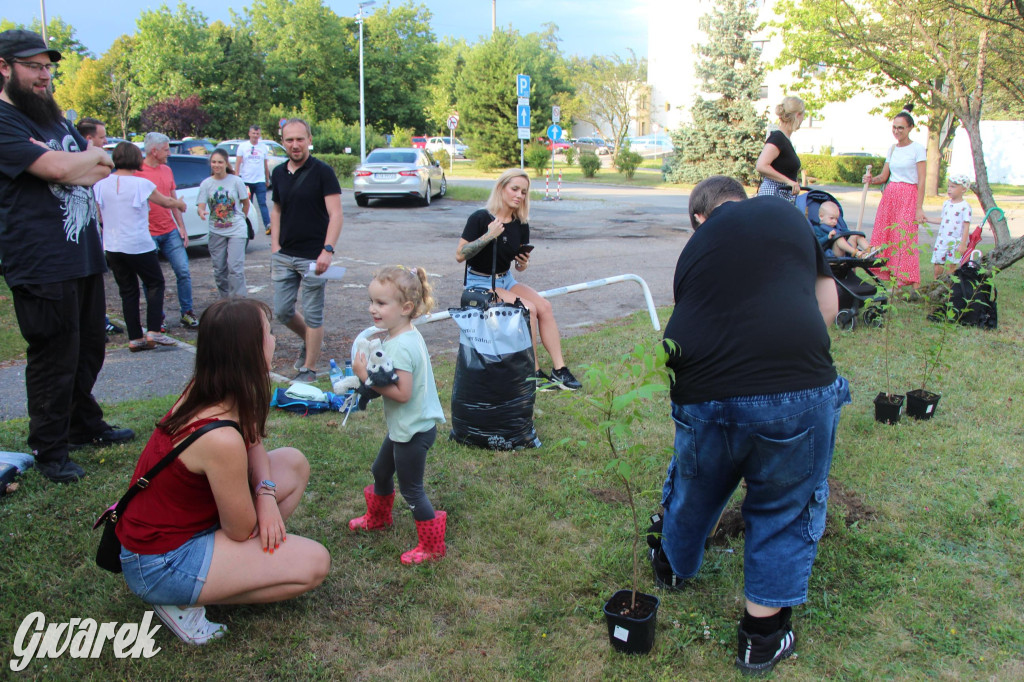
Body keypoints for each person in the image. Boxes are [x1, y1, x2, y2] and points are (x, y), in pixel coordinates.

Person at [652, 176, 850, 675]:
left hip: (703, 392)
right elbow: (829, 307)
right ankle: (761, 639)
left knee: (697, 487)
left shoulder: (697, 247)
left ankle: (672, 569)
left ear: (701, 216)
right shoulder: (786, 215)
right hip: (794, 389)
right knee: (783, 506)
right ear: (740, 198)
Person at [116, 298, 331, 644]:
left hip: (178, 531)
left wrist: (264, 494)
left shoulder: (213, 385)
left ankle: (231, 571)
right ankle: (180, 600)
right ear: (247, 351)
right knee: (314, 564)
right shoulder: (220, 439)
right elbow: (240, 529)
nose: (274, 341)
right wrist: (263, 505)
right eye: (268, 334)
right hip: (159, 562)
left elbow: (254, 441)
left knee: (292, 462)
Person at [0, 29, 134, 483]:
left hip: (81, 253)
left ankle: (81, 423)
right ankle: (50, 448)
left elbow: (102, 167)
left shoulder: (53, 121)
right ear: (4, 68)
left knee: (89, 348)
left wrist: (77, 160)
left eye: (47, 68)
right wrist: (77, 160)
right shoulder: (4, 119)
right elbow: (65, 166)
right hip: (38, 258)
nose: (44, 76)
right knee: (54, 355)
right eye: (34, 67)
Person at [347, 265, 448, 564]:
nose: (372, 309)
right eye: (372, 301)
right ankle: (378, 518)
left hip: (413, 430)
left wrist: (365, 376)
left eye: (380, 303)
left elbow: (402, 394)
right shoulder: (403, 335)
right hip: (406, 427)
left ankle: (432, 546)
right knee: (380, 471)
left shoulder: (401, 346)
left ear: (405, 307)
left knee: (412, 490)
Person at [454, 168, 581, 391]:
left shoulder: (520, 223)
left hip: (506, 279)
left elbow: (518, 266)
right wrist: (488, 236)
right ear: (501, 188)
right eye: (515, 189)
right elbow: (460, 255)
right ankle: (533, 374)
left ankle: (559, 370)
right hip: (481, 283)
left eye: (523, 192)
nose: (519, 196)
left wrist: (523, 262)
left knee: (544, 306)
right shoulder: (480, 218)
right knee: (528, 310)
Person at [269, 118, 343, 383]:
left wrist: (328, 250)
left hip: (314, 256)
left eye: (300, 139)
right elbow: (277, 210)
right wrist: (275, 245)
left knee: (313, 313)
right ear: (283, 143)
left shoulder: (322, 172)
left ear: (310, 140)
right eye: (289, 140)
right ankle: (310, 342)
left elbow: (336, 214)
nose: (295, 144)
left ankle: (309, 369)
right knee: (282, 311)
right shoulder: (278, 173)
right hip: (284, 255)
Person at [94, 142, 186, 351]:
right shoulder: (140, 184)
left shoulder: (101, 184)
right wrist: (179, 203)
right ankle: (153, 330)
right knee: (155, 283)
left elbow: (100, 214)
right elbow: (164, 202)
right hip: (137, 244)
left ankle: (135, 338)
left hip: (113, 245)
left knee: (128, 291)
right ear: (135, 159)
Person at [136, 132, 199, 328]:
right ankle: (157, 317)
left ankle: (187, 312)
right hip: (148, 233)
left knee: (183, 271)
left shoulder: (166, 170)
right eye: (165, 150)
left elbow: (173, 200)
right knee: (152, 279)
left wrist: (182, 227)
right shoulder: (137, 172)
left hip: (170, 231)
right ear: (153, 151)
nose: (169, 153)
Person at [863, 106, 928, 295]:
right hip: (891, 195)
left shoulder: (917, 149)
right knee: (888, 237)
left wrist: (919, 207)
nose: (897, 131)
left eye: (901, 128)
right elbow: (884, 176)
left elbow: (922, 179)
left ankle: (912, 282)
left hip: (908, 195)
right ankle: (893, 278)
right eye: (894, 127)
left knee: (905, 237)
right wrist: (871, 179)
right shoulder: (892, 149)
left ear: (909, 128)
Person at [75, 116, 125, 337]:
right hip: (76, 235)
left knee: (96, 283)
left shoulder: (83, 165)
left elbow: (107, 168)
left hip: (94, 233)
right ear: (89, 138)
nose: (105, 142)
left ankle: (98, 322)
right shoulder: (74, 160)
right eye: (102, 137)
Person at [198, 149, 250, 298]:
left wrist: (241, 219)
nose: (217, 165)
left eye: (220, 162)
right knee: (220, 270)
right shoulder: (206, 184)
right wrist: (201, 212)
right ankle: (226, 302)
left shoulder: (236, 181)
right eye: (214, 162)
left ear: (226, 163)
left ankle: (239, 303)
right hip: (216, 231)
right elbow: (201, 206)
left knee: (235, 268)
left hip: (236, 230)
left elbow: (245, 203)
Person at [755, 96, 805, 202]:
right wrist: (788, 181)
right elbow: (761, 165)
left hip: (780, 195)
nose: (803, 120)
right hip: (773, 195)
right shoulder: (778, 138)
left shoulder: (784, 139)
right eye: (803, 116)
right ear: (798, 115)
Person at [926, 173, 973, 280]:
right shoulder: (946, 204)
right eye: (948, 186)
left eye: (953, 187)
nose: (949, 189)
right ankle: (935, 282)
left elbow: (966, 226)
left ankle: (949, 288)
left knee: (951, 267)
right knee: (938, 264)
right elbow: (943, 220)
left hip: (955, 242)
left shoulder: (965, 207)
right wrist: (927, 219)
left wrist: (963, 244)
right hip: (942, 240)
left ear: (963, 189)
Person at [236, 125, 272, 235]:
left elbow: (265, 165)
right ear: (249, 133)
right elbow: (238, 164)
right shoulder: (243, 146)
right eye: (253, 133)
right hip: (246, 180)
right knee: (247, 205)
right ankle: (245, 226)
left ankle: (268, 225)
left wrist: (267, 179)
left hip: (260, 180)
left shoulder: (263, 147)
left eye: (257, 134)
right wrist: (236, 178)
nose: (255, 136)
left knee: (262, 203)